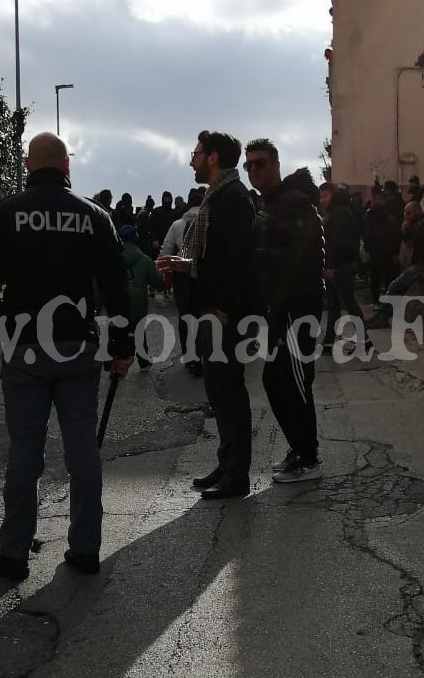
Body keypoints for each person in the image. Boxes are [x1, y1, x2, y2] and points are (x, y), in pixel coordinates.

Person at [0, 132, 135, 580]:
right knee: (83, 450)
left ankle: (15, 553)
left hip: (25, 348)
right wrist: (122, 344)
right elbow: (117, 286)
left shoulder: (7, 213)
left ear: (27, 165)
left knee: (25, 452)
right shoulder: (95, 216)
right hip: (78, 347)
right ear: (66, 166)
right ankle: (85, 548)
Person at [179, 130, 256, 500]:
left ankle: (237, 473)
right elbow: (213, 256)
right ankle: (226, 463)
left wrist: (224, 306)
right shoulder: (217, 196)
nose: (191, 160)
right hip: (212, 309)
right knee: (217, 390)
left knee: (230, 391)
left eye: (195, 153)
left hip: (225, 313)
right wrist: (185, 267)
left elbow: (241, 259)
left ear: (212, 158)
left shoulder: (235, 199)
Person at [244, 138, 325, 483]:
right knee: (278, 380)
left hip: (296, 306)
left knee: (292, 381)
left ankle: (308, 457)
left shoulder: (292, 203)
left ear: (276, 165)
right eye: (249, 166)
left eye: (260, 163)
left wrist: (260, 264)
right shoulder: (275, 204)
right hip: (282, 307)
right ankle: (299, 449)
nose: (254, 171)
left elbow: (300, 256)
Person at [367, 201, 424, 329]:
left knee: (395, 286)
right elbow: (409, 241)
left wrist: (408, 229)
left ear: (417, 211)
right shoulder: (417, 224)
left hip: (423, 263)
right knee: (396, 288)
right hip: (416, 262)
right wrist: (406, 231)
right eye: (405, 213)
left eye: (409, 213)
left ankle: (382, 317)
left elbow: (420, 239)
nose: (406, 216)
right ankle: (382, 316)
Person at [318, 182, 372, 353]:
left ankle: (365, 340)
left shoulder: (340, 213)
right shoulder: (335, 212)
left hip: (340, 266)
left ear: (333, 195)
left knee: (349, 303)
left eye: (325, 195)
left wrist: (332, 265)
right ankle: (328, 342)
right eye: (321, 196)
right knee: (335, 305)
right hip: (335, 265)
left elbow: (340, 242)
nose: (322, 200)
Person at [161, 188, 204, 377]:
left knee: (186, 317)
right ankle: (205, 355)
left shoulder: (177, 224)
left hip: (182, 279)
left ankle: (190, 357)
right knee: (204, 316)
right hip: (204, 275)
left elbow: (165, 251)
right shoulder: (208, 221)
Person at [118, 224, 165, 369]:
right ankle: (143, 360)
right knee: (138, 331)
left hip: (117, 303)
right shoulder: (144, 260)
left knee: (117, 331)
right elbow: (159, 283)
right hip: (138, 306)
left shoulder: (111, 259)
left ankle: (114, 360)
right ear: (135, 238)